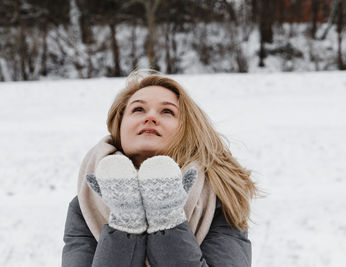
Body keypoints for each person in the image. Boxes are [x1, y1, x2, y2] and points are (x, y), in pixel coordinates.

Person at [62, 70, 257, 267]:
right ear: (119, 126)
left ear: (186, 129)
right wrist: (125, 221)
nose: (151, 118)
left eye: (167, 112)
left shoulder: (219, 197)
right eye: (138, 109)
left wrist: (167, 218)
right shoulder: (87, 203)